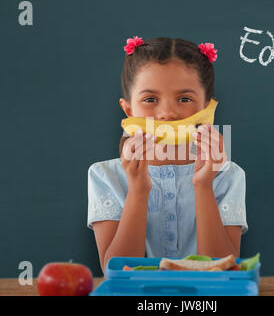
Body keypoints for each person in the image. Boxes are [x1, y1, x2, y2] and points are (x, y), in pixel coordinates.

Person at [87, 36, 248, 273]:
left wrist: (203, 185)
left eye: (184, 99)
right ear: (129, 110)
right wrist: (138, 190)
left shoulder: (227, 176)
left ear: (205, 110)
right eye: (150, 99)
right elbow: (118, 271)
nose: (167, 113)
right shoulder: (104, 176)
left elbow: (222, 269)